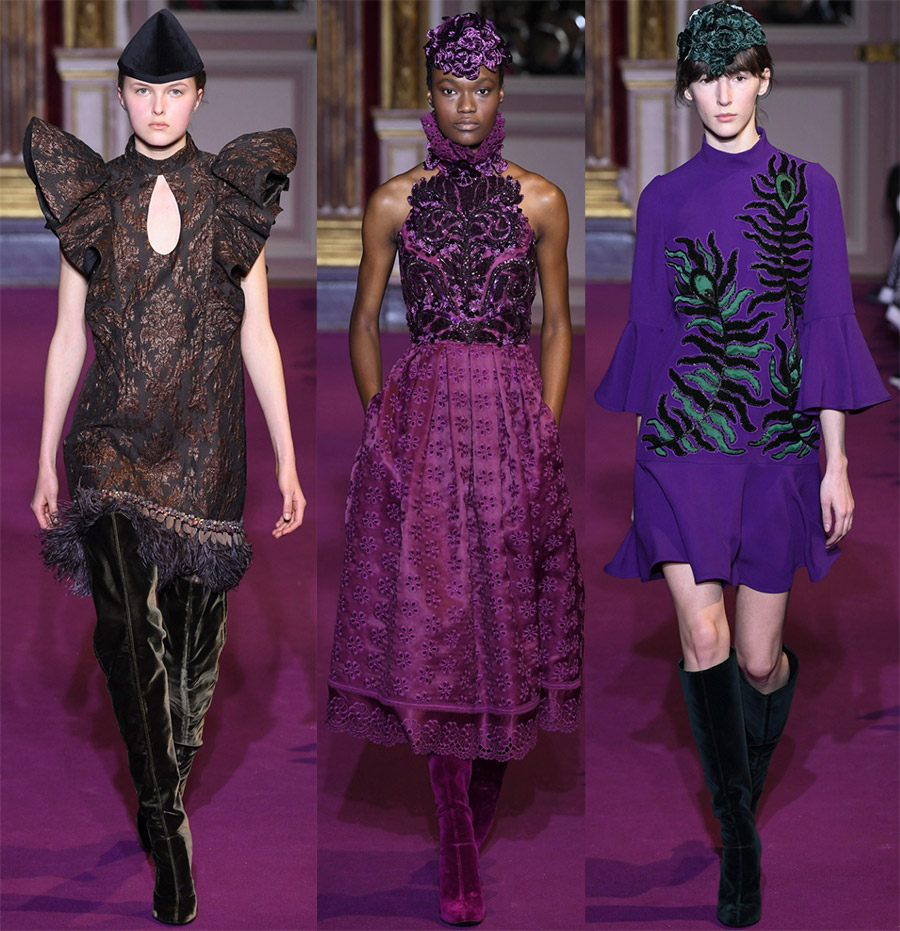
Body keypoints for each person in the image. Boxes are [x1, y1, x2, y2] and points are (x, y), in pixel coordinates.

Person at [595, 2, 888, 927]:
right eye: (705, 76)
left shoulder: (809, 188)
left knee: (759, 661)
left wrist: (837, 463)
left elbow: (827, 325)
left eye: (737, 73)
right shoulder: (661, 199)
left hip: (777, 446)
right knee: (704, 635)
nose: (722, 92)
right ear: (687, 89)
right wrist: (642, 464)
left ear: (763, 79)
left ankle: (739, 788)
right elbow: (650, 331)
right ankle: (739, 840)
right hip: (682, 441)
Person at [25, 9, 303, 925]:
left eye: (173, 91)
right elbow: (68, 336)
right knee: (124, 626)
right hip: (109, 443)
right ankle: (164, 816)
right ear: (122, 96)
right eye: (142, 91)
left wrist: (287, 455)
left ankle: (169, 772)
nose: (157, 106)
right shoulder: (92, 195)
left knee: (188, 655)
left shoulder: (232, 195)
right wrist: (45, 455)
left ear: (198, 97)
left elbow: (259, 335)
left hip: (206, 445)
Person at [324, 12, 584, 925]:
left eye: (480, 88)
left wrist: (545, 425)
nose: (465, 105)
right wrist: (380, 420)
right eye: (449, 89)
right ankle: (457, 843)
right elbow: (363, 321)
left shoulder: (542, 200)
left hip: (511, 419)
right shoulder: (393, 202)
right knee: (436, 616)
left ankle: (471, 809)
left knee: (506, 618)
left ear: (502, 93)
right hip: (426, 418)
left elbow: (558, 323)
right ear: (427, 95)